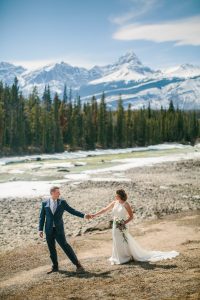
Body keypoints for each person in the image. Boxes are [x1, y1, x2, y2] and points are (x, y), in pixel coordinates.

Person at [91, 189, 179, 265]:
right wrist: (95, 214)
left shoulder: (126, 204)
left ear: (120, 196)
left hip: (122, 225)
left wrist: (124, 223)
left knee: (124, 240)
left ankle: (127, 256)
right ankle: (118, 257)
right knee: (116, 240)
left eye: (116, 195)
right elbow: (104, 210)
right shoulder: (114, 203)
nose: (115, 196)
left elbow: (131, 216)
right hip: (115, 225)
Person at [39, 186, 91, 273]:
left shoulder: (62, 202)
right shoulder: (45, 203)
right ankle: (55, 267)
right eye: (57, 192)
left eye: (59, 192)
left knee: (65, 246)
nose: (59, 194)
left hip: (59, 230)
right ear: (52, 193)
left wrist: (84, 215)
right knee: (51, 248)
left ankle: (78, 265)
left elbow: (72, 211)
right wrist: (40, 229)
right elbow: (42, 217)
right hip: (48, 230)